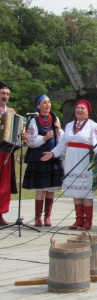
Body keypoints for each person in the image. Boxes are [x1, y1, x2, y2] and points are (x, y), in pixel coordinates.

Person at [41, 100, 97, 230]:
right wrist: (52, 153)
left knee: (85, 191)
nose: (79, 110)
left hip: (85, 160)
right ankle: (79, 219)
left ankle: (88, 221)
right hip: (71, 160)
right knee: (75, 191)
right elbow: (63, 144)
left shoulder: (93, 125)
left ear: (88, 112)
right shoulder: (69, 126)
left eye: (82, 108)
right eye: (78, 108)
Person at [22, 95, 65, 227]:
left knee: (51, 188)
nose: (48, 105)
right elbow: (30, 141)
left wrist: (58, 129)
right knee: (41, 188)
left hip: (53, 157)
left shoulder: (55, 118)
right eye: (44, 103)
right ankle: (38, 217)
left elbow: (62, 138)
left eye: (49, 102)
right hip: (40, 157)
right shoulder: (34, 121)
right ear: (38, 106)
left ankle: (48, 217)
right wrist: (44, 138)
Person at [0, 82, 18, 225]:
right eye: (3, 94)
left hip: (6, 152)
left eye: (7, 94)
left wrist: (21, 135)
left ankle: (0, 213)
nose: (5, 96)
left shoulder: (11, 113)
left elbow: (16, 133)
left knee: (4, 185)